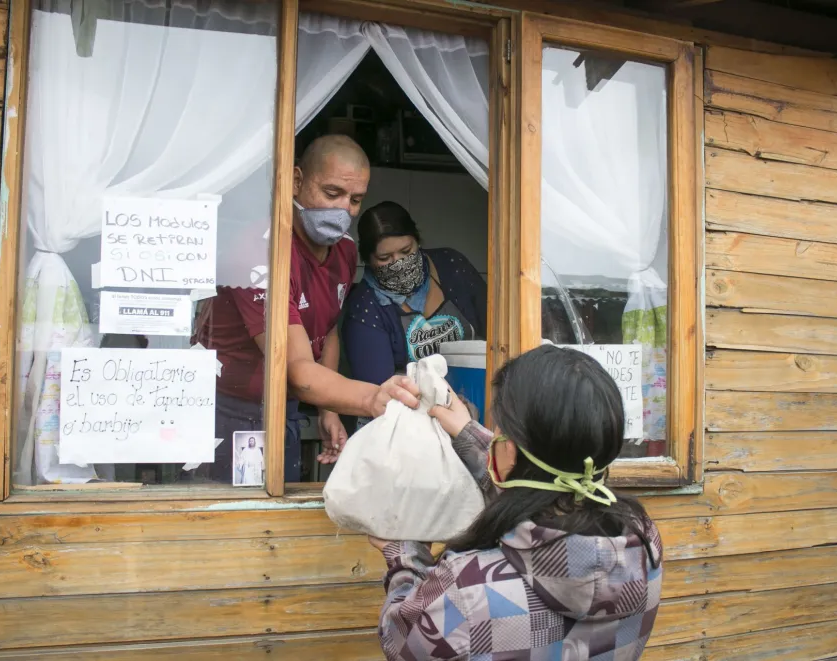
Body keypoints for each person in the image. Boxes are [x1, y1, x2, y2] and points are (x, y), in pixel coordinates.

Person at [369, 345, 663, 660]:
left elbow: (400, 641)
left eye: (499, 431)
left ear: (509, 451)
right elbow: (544, 489)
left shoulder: (468, 589)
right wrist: (469, 434)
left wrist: (403, 553)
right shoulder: (643, 544)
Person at [193, 135, 419, 483]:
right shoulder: (259, 254)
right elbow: (297, 368)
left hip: (284, 407)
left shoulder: (343, 250)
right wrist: (374, 398)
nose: (343, 210)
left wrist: (328, 409)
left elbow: (326, 331)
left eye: (355, 199)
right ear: (296, 181)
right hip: (224, 409)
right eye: (332, 194)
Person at [342, 201, 486, 387]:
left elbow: (496, 329)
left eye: (406, 251)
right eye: (385, 258)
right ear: (367, 260)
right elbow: (379, 390)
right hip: (409, 407)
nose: (399, 262)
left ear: (417, 241)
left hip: (475, 390)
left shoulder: (452, 266)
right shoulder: (365, 306)